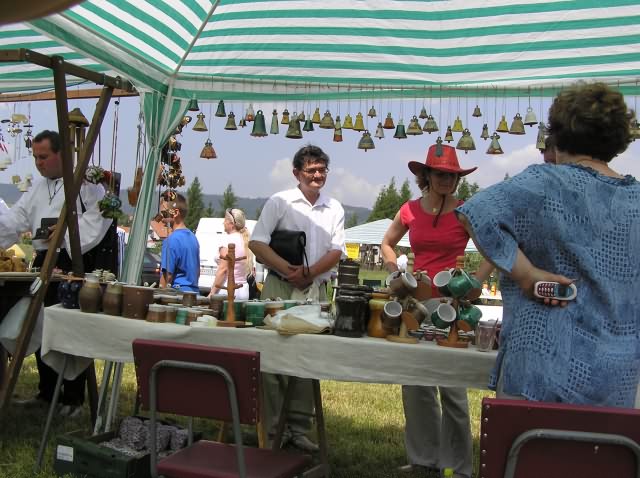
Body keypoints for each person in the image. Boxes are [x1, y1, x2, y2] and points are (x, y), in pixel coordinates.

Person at [456, 82, 640, 407]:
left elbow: (476, 212)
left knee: (526, 441)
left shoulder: (545, 182)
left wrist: (527, 275)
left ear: (557, 134)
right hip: (615, 381)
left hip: (538, 370)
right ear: (618, 140)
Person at [381, 141, 490, 478]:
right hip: (415, 303)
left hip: (452, 306)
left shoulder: (465, 211)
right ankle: (424, 460)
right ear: (426, 175)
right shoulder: (409, 210)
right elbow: (386, 243)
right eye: (440, 173)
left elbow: (492, 250)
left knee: (452, 387)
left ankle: (458, 467)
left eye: (452, 175)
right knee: (416, 384)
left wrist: (475, 282)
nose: (446, 179)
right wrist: (395, 272)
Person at [0, 130, 114, 417]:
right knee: (40, 324)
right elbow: (14, 220)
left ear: (62, 154)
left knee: (70, 328)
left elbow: (99, 220)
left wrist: (65, 233)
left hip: (77, 262)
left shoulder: (87, 185)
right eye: (35, 157)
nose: (38, 163)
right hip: (45, 263)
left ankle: (73, 398)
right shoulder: (37, 188)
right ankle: (47, 392)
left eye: (44, 157)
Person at [249, 144, 345, 452]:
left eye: (322, 170)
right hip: (279, 287)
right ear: (296, 173)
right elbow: (257, 243)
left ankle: (299, 429)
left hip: (316, 291)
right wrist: (288, 270)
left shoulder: (334, 207)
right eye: (311, 170)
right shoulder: (280, 201)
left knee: (307, 359)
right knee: (271, 357)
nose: (317, 175)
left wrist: (310, 272)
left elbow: (337, 250)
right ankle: (273, 429)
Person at [208, 208, 253, 300]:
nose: (223, 223)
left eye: (225, 220)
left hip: (227, 288)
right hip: (243, 289)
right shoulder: (245, 240)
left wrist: (212, 293)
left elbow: (223, 269)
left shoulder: (227, 240)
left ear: (231, 224)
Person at [159, 192, 200, 293]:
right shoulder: (193, 238)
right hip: (194, 294)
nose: (161, 218)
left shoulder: (171, 240)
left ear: (175, 213)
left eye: (163, 213)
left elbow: (167, 276)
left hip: (177, 295)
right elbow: (197, 272)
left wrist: (159, 294)